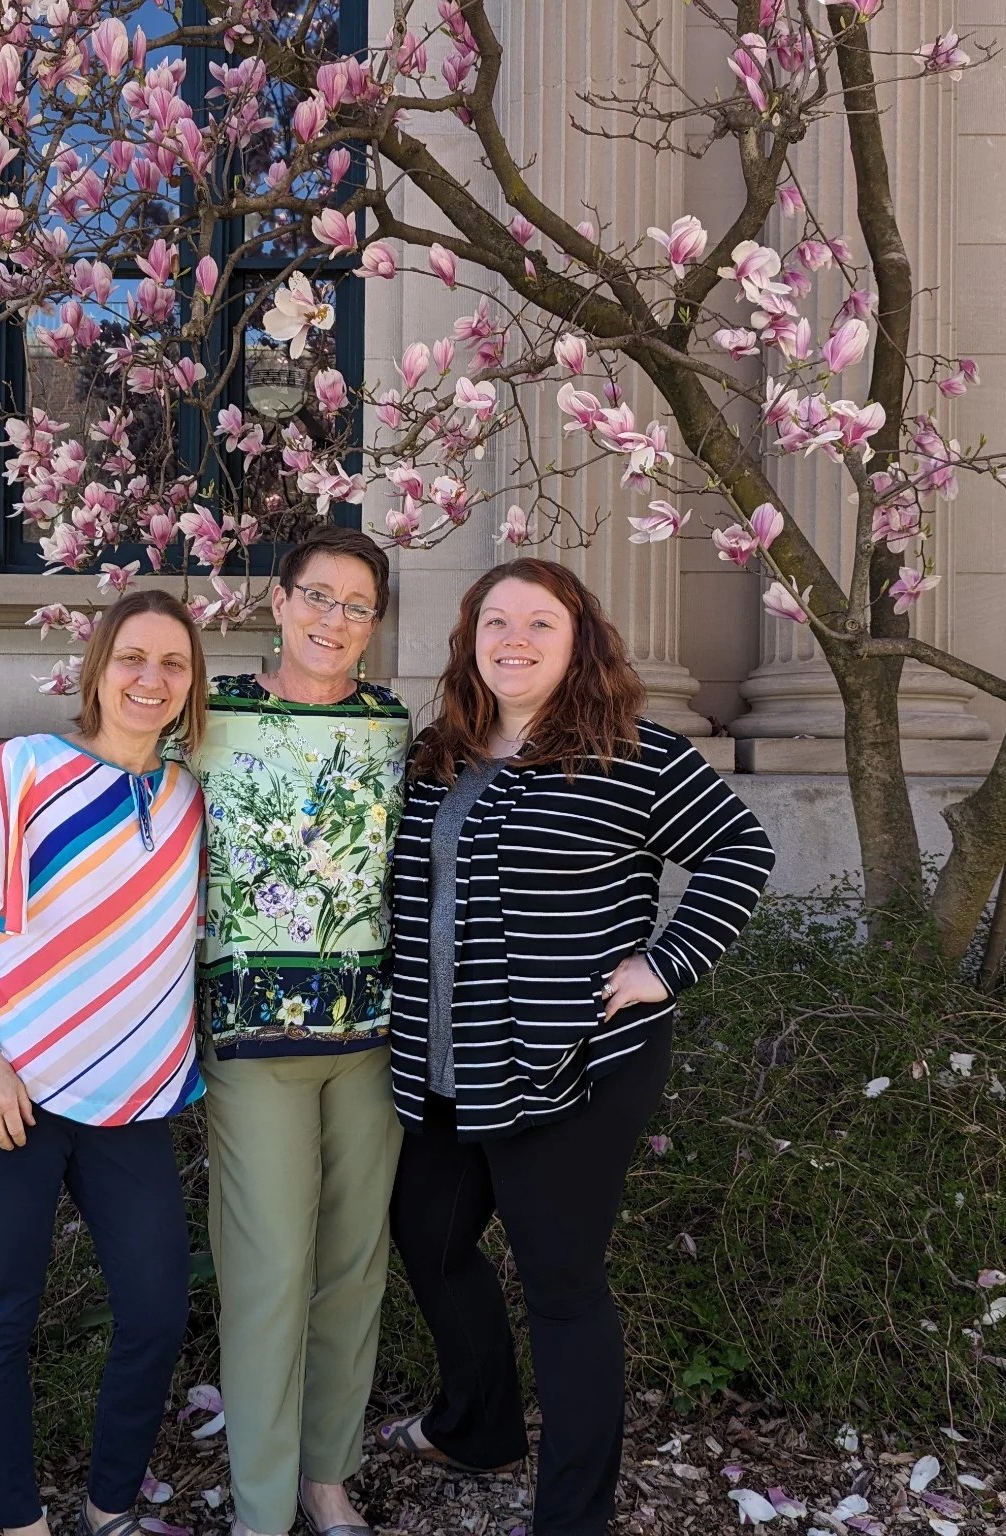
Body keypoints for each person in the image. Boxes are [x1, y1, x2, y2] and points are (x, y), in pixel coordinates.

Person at [377, 558, 776, 1536]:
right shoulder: (438, 752)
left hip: (575, 1064)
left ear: (577, 639)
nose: (513, 640)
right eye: (495, 623)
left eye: (538, 624)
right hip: (442, 1065)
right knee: (427, 1245)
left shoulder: (633, 752)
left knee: (559, 1286)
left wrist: (665, 964)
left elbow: (739, 850)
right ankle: (478, 1426)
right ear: (470, 641)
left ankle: (572, 1517)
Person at [0, 589, 210, 1536]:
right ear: (97, 668)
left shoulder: (191, 797)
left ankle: (109, 1505)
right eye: (132, 658)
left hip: (133, 1104)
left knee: (159, 1312)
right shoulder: (23, 771)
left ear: (191, 682)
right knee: (5, 1312)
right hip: (12, 1093)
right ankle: (15, 1522)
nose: (150, 679)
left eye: (172, 663)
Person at [188, 525, 412, 1536]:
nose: (332, 620)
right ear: (276, 602)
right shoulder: (210, 715)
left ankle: (327, 1474)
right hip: (252, 1044)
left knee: (350, 1267)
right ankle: (263, 1505)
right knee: (269, 1273)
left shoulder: (391, 726)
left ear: (371, 629)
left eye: (354, 606)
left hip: (371, 1040)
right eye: (316, 597)